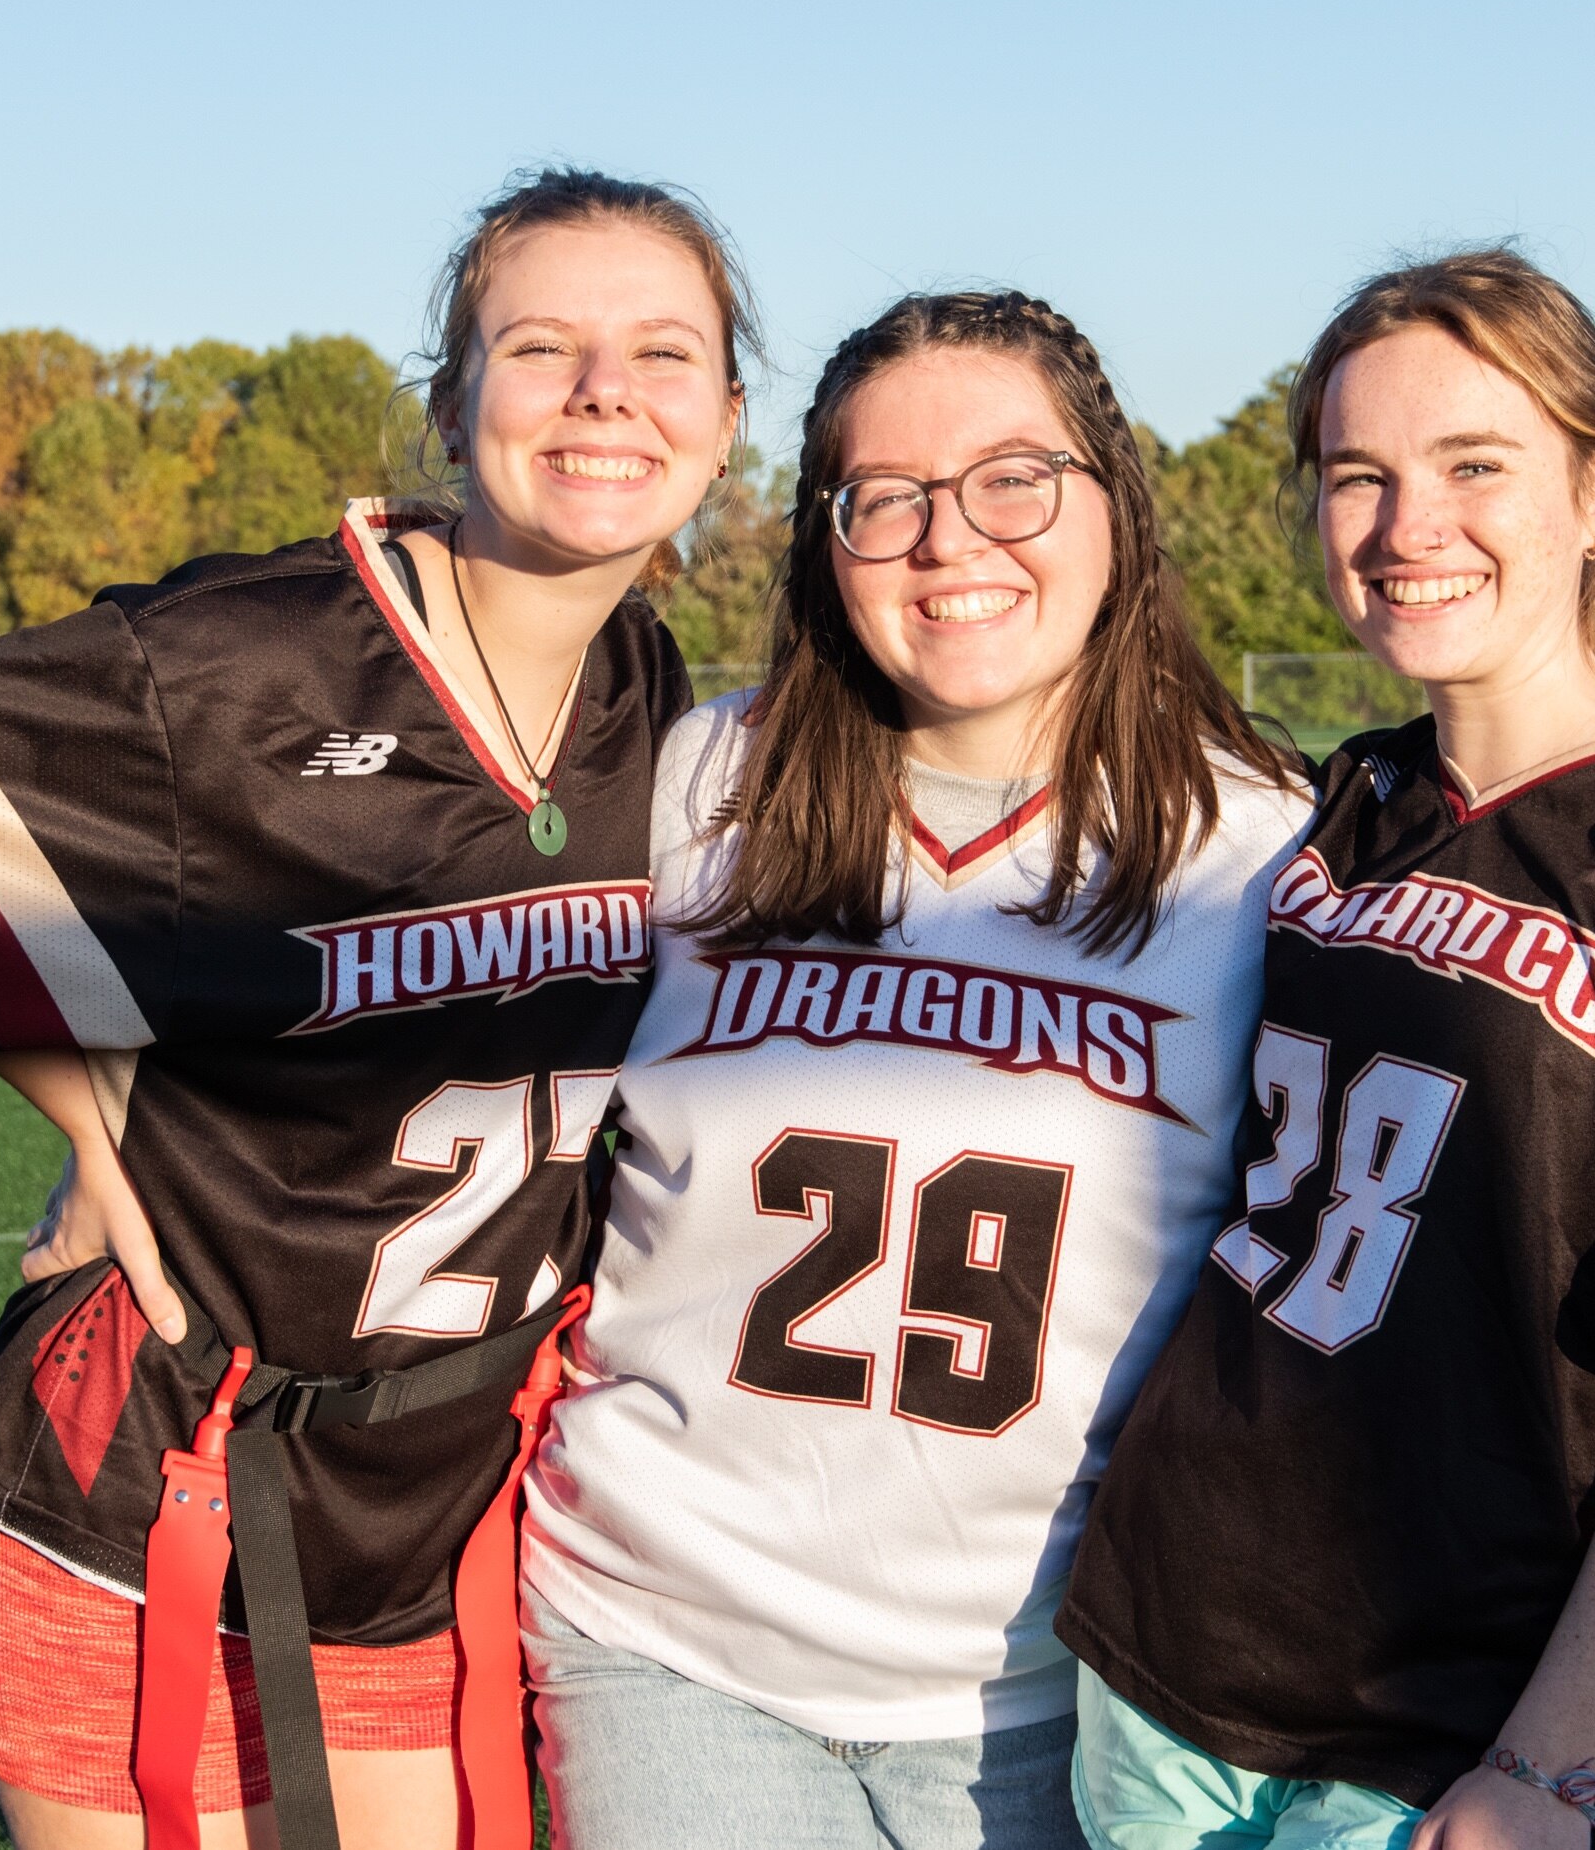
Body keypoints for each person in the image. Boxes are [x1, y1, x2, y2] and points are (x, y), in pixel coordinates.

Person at [0, 168, 752, 1850]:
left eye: (661, 352)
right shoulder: (251, 657)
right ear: (450, 399)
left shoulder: (655, 695)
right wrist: (90, 1117)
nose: (605, 392)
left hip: (436, 1510)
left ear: (727, 414)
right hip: (159, 1483)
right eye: (540, 346)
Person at [1058, 252, 1595, 1850]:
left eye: (1474, 465)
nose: (1405, 525)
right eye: (1357, 474)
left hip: (1467, 1728)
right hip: (1168, 1649)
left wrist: (1555, 1759)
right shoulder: (1322, 807)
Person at [512, 292, 1310, 1850]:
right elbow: (399, 929)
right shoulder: (696, 782)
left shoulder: (1266, 847)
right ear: (826, 541)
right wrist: (125, 1124)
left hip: (1043, 1681)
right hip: (667, 1630)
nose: (953, 540)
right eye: (887, 500)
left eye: (1016, 478)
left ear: (1116, 506)